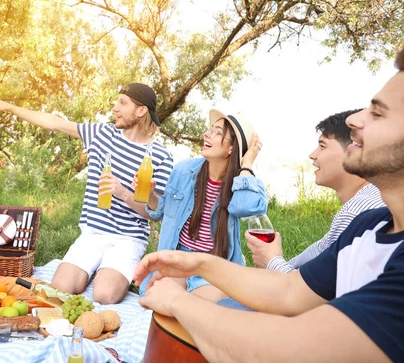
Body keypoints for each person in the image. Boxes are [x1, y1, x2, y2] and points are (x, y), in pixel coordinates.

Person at [134, 49, 404, 362]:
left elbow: (291, 349)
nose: (354, 120)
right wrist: (197, 263)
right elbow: (288, 291)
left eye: (378, 113)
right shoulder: (366, 227)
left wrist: (179, 301)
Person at [0, 83, 173, 304]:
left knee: (105, 296)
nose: (115, 108)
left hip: (128, 238)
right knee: (61, 289)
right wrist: (9, 107)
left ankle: (105, 273)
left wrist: (124, 193)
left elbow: (155, 213)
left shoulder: (160, 157)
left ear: (141, 111)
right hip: (93, 233)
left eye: (122, 103)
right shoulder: (101, 134)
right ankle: (97, 269)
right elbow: (53, 122)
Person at [138, 109, 267, 302]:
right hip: (179, 259)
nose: (207, 134)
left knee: (204, 308)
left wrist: (247, 163)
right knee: (160, 298)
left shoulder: (239, 183)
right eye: (210, 129)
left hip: (212, 266)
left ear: (231, 148)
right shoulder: (184, 170)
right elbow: (161, 211)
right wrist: (149, 195)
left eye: (216, 132)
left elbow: (247, 207)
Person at [247, 109, 385, 272]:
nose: (312, 155)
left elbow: (314, 294)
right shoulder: (372, 199)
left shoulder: (357, 213)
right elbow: (318, 251)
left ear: (355, 151)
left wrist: (271, 261)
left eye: (322, 146)